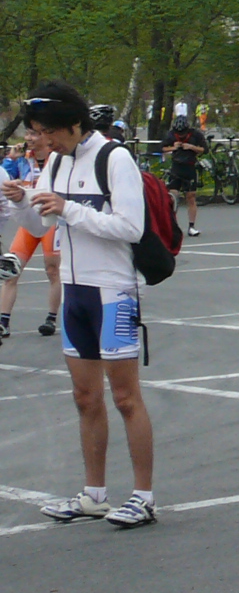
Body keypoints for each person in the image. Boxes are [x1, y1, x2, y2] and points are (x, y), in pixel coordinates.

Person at [30, 85, 159, 528]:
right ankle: (94, 495)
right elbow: (41, 221)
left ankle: (143, 496)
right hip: (74, 290)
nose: (46, 141)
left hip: (113, 289)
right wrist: (19, 205)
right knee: (85, 398)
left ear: (74, 123)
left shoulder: (114, 158)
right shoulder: (57, 160)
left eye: (50, 132)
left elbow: (130, 227)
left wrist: (69, 208)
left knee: (125, 398)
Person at [0, 125, 62, 346]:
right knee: (11, 269)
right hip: (28, 218)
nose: (29, 139)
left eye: (34, 134)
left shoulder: (58, 159)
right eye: (27, 134)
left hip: (50, 218)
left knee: (52, 269)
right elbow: (8, 180)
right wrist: (10, 160)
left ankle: (51, 317)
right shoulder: (24, 157)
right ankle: (3, 320)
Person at [163, 109, 207, 237]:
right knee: (172, 197)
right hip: (176, 168)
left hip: (190, 167)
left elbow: (204, 149)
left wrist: (191, 147)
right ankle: (171, 225)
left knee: (191, 197)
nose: (181, 135)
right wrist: (173, 147)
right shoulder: (171, 135)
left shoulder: (195, 134)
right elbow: (162, 148)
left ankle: (191, 226)